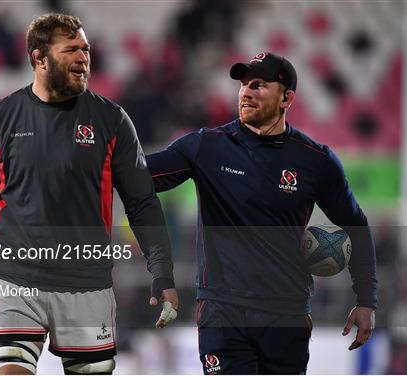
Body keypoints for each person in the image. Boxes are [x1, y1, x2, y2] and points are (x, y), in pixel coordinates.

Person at [0, 12, 178, 375]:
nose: (83, 57)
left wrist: (162, 273)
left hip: (88, 286)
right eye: (71, 50)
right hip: (15, 281)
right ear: (39, 58)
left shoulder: (111, 120)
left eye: (85, 49)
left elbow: (142, 203)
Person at [146, 52, 377, 374]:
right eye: (242, 85)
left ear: (287, 98)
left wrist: (366, 299)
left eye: (258, 85)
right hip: (223, 309)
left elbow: (356, 224)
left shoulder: (315, 160)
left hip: (287, 314)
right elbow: (140, 174)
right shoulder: (207, 146)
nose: (246, 92)